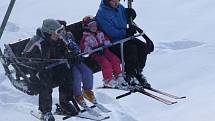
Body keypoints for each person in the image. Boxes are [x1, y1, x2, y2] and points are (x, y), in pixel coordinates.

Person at [22, 19, 79, 121]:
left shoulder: (59, 39)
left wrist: (70, 55)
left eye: (60, 31)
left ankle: (64, 103)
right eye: (57, 32)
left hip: (53, 67)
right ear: (49, 32)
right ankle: (45, 111)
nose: (59, 34)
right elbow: (26, 57)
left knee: (67, 73)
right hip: (39, 71)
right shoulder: (37, 41)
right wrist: (38, 64)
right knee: (46, 80)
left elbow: (65, 51)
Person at [96, 0, 154, 88]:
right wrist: (125, 32)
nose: (116, 3)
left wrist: (130, 16)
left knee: (143, 47)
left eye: (117, 1)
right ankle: (129, 75)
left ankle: (137, 72)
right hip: (113, 42)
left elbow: (125, 20)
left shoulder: (119, 8)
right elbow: (109, 31)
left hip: (124, 38)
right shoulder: (102, 14)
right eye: (113, 1)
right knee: (131, 49)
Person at [80, 16, 127, 88]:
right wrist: (91, 49)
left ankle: (118, 75)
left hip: (104, 50)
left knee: (115, 59)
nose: (94, 27)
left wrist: (106, 43)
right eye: (91, 25)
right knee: (106, 63)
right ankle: (108, 79)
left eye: (95, 24)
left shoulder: (100, 33)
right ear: (86, 27)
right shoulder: (86, 38)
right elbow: (84, 49)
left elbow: (106, 39)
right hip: (95, 54)